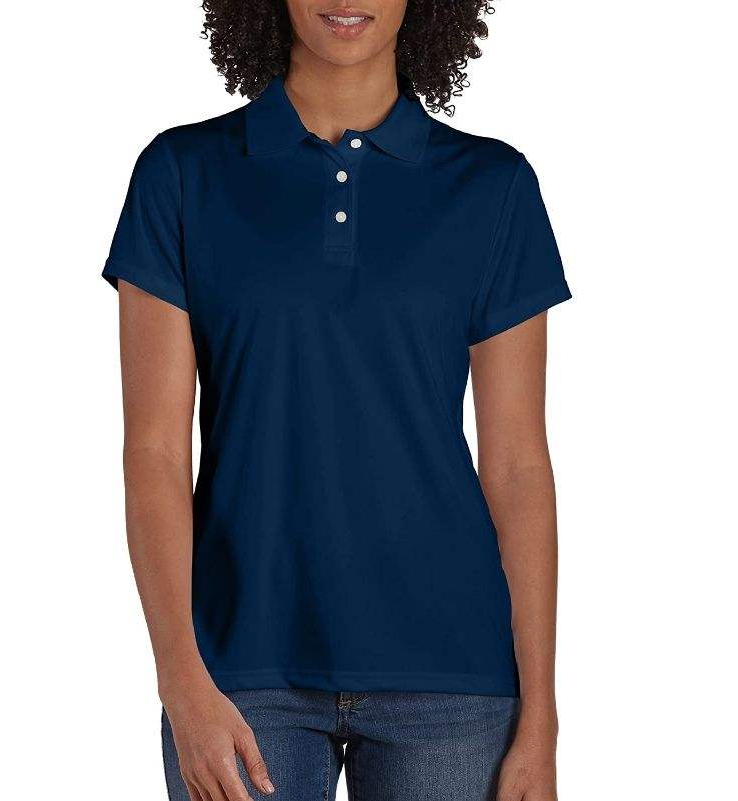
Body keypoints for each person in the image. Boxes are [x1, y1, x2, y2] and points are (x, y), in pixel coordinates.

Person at [102, 2, 571, 799]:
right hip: (238, 669)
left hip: (452, 672)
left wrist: (541, 722)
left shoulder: (492, 185)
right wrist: (179, 678)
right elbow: (153, 453)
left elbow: (519, 467)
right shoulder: (181, 172)